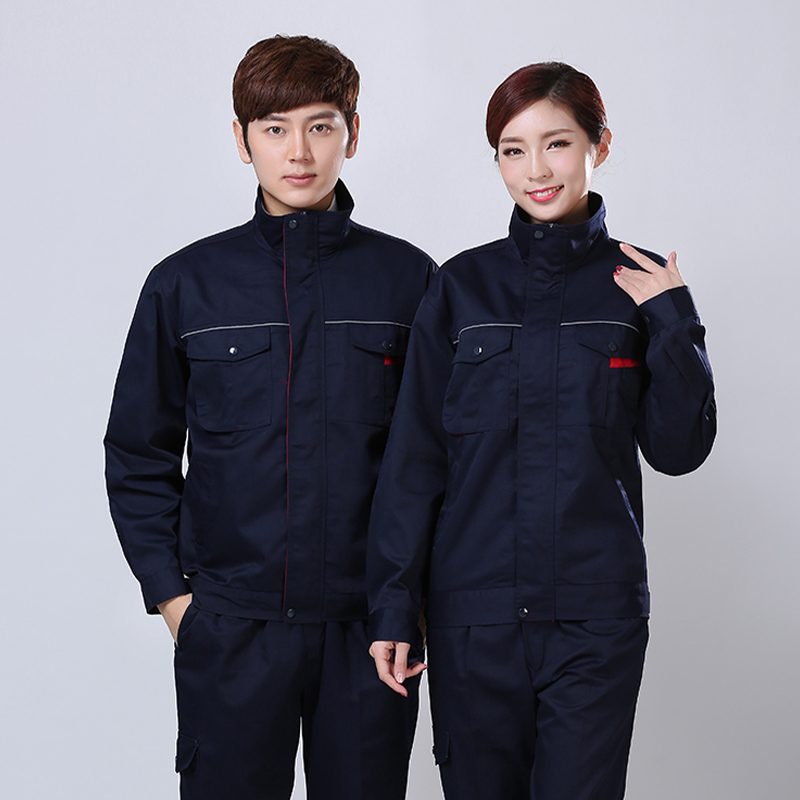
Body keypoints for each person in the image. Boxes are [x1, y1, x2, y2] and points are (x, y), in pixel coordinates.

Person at [368, 62, 716, 800]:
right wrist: (393, 606)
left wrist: (675, 321)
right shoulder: (460, 288)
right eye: (512, 150)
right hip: (472, 618)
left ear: (599, 145)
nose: (536, 170)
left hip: (596, 618)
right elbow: (415, 462)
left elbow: (678, 451)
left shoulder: (641, 287)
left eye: (556, 143)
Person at [104, 35, 434, 800]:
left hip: (369, 630)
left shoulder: (409, 279)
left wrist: (412, 604)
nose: (299, 152)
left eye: (321, 126)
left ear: (353, 132)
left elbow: (437, 459)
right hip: (232, 629)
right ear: (241, 139)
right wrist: (175, 599)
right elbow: (138, 452)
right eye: (275, 129)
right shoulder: (186, 284)